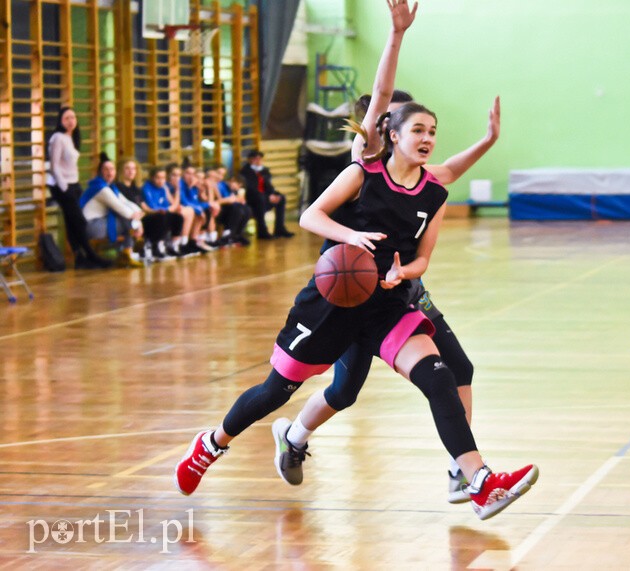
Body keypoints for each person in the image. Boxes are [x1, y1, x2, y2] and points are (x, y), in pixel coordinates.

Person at [175, 99, 538, 521]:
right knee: (276, 391)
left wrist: (405, 272)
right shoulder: (362, 172)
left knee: (440, 376)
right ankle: (211, 444)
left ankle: (478, 481)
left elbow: (423, 259)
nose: (427, 139)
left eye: (433, 131)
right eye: (418, 130)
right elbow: (312, 215)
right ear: (394, 135)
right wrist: (353, 236)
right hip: (332, 304)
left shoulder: (435, 192)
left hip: (386, 304)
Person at [271, 0, 501, 505]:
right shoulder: (365, 163)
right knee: (345, 391)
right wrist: (397, 35)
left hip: (404, 290)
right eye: (405, 123)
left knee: (455, 369)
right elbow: (379, 94)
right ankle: (293, 436)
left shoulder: (416, 175)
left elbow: (445, 174)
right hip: (354, 289)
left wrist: (486, 141)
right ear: (383, 129)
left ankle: (463, 470)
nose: (419, 134)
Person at [46, 107, 112, 269]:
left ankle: (79, 257)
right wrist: (64, 188)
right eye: (67, 118)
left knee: (71, 221)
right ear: (61, 120)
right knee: (80, 221)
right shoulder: (58, 138)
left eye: (73, 118)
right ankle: (91, 255)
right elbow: (54, 167)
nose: (70, 121)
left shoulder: (71, 137)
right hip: (61, 185)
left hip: (73, 183)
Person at [80, 153, 145, 268]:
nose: (109, 173)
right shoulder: (101, 189)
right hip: (91, 226)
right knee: (127, 219)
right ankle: (128, 252)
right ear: (100, 172)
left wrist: (138, 212)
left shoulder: (111, 187)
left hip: (99, 222)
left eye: (112, 169)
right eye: (106, 170)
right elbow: (119, 206)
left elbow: (126, 202)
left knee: (127, 219)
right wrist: (137, 222)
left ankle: (127, 253)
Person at [239, 149, 294, 239]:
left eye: (260, 159)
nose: (259, 161)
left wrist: (272, 194)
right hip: (253, 200)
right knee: (260, 199)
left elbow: (268, 185)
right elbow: (250, 189)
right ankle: (262, 231)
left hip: (264, 198)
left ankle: (280, 228)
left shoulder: (264, 171)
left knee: (281, 198)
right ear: (250, 160)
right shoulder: (245, 172)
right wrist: (267, 196)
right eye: (256, 159)